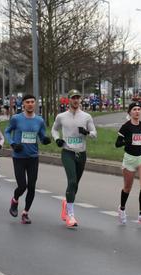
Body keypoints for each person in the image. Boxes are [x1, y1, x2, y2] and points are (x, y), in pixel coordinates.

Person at [51, 89, 97, 228]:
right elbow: (54, 129)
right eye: (73, 98)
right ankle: (70, 215)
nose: (76, 100)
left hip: (81, 153)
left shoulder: (87, 116)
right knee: (71, 181)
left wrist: (87, 132)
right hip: (68, 152)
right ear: (68, 100)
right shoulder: (61, 116)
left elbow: (95, 134)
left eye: (78, 98)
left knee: (75, 184)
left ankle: (67, 202)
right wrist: (57, 139)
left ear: (80, 100)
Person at [5, 94, 51, 224]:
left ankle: (25, 213)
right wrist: (13, 144)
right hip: (19, 157)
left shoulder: (39, 120)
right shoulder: (16, 119)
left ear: (35, 104)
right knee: (22, 186)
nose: (30, 104)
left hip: (33, 157)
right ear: (23, 104)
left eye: (32, 102)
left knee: (31, 186)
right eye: (28, 102)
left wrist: (45, 140)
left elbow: (42, 136)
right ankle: (15, 200)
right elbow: (7, 132)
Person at [115, 102, 141, 226]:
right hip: (129, 159)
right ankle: (122, 209)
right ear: (130, 112)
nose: (137, 111)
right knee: (127, 188)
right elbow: (117, 143)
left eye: (139, 109)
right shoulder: (125, 127)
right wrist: (127, 141)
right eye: (134, 109)